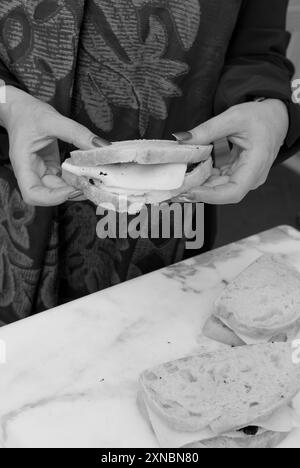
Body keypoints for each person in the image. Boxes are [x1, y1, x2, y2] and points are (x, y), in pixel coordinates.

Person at [0, 0, 299, 324]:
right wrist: (8, 104)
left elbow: (256, 50)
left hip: (166, 213)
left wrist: (267, 107)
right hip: (12, 198)